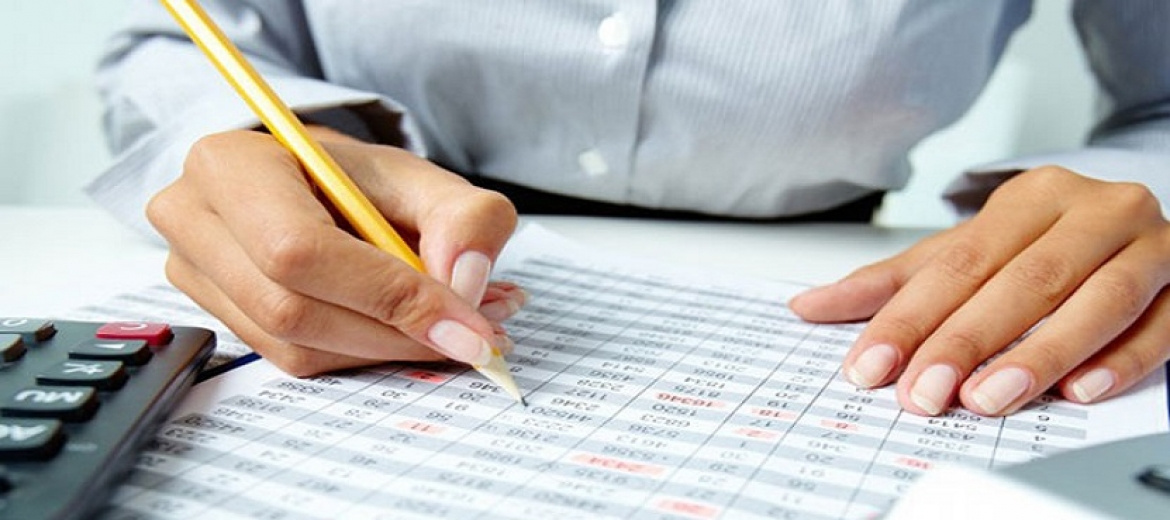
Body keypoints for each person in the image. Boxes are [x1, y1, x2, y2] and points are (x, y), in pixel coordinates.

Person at [91, 1, 1170, 418]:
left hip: (831, 275)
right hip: (364, 252)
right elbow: (177, 45)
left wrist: (1140, 203)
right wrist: (266, 149)